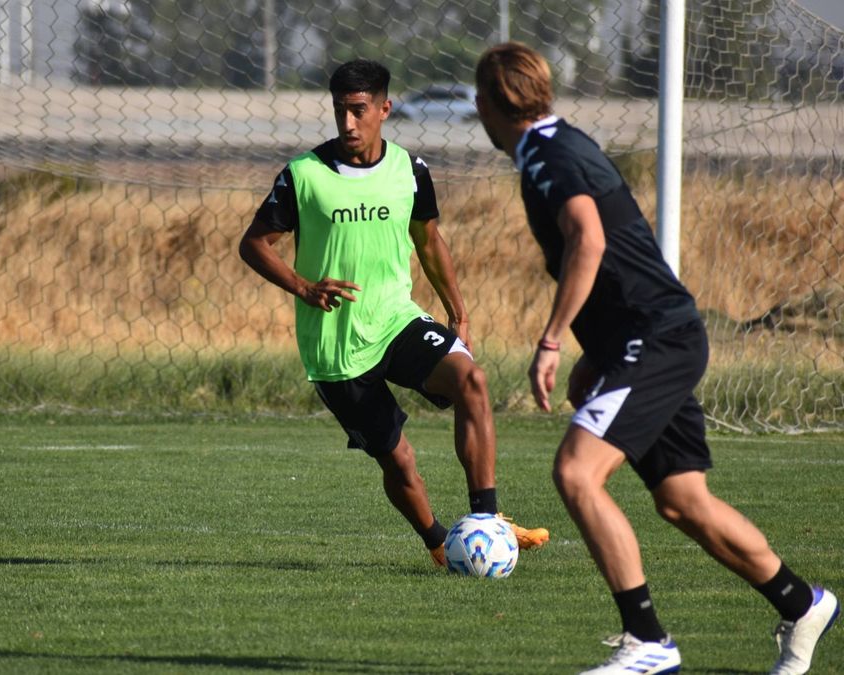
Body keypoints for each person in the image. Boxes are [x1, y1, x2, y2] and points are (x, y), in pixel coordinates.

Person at [474, 41, 837, 674]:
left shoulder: (544, 155)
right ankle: (801, 602)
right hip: (652, 336)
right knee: (681, 501)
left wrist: (554, 339)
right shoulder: (561, 142)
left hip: (657, 338)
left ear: (486, 103)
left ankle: (648, 642)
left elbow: (587, 238)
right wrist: (599, 353)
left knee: (577, 474)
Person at [239, 59, 548, 566]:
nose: (348, 124)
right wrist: (303, 286)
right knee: (400, 461)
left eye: (359, 111)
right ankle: (438, 545)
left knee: (472, 380)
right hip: (336, 347)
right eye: (340, 111)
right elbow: (254, 245)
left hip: (395, 319)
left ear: (384, 109)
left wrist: (457, 310)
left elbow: (428, 240)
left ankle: (487, 520)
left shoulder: (410, 170)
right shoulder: (304, 176)